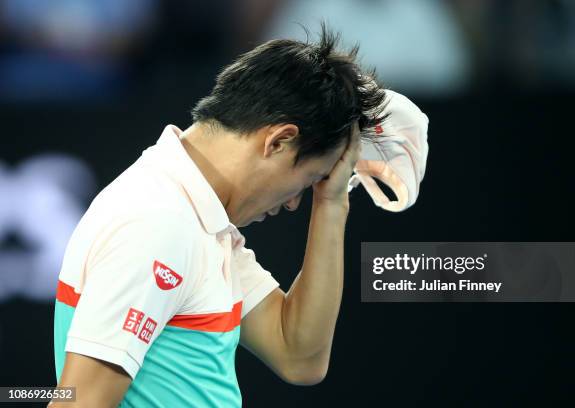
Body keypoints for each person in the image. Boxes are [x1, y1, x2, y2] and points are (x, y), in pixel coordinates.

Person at [51, 25, 387, 407]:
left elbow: (299, 356)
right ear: (277, 141)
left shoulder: (197, 216)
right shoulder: (159, 223)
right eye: (309, 179)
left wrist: (332, 201)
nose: (295, 203)